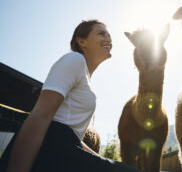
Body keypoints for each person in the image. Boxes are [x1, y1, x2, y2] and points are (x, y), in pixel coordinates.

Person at [0, 20, 141, 172]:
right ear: (82, 41)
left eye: (109, 35)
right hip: (50, 149)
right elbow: (40, 115)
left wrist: (103, 160)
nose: (108, 39)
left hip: (65, 148)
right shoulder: (75, 60)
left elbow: (74, 137)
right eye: (101, 34)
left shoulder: (86, 78)